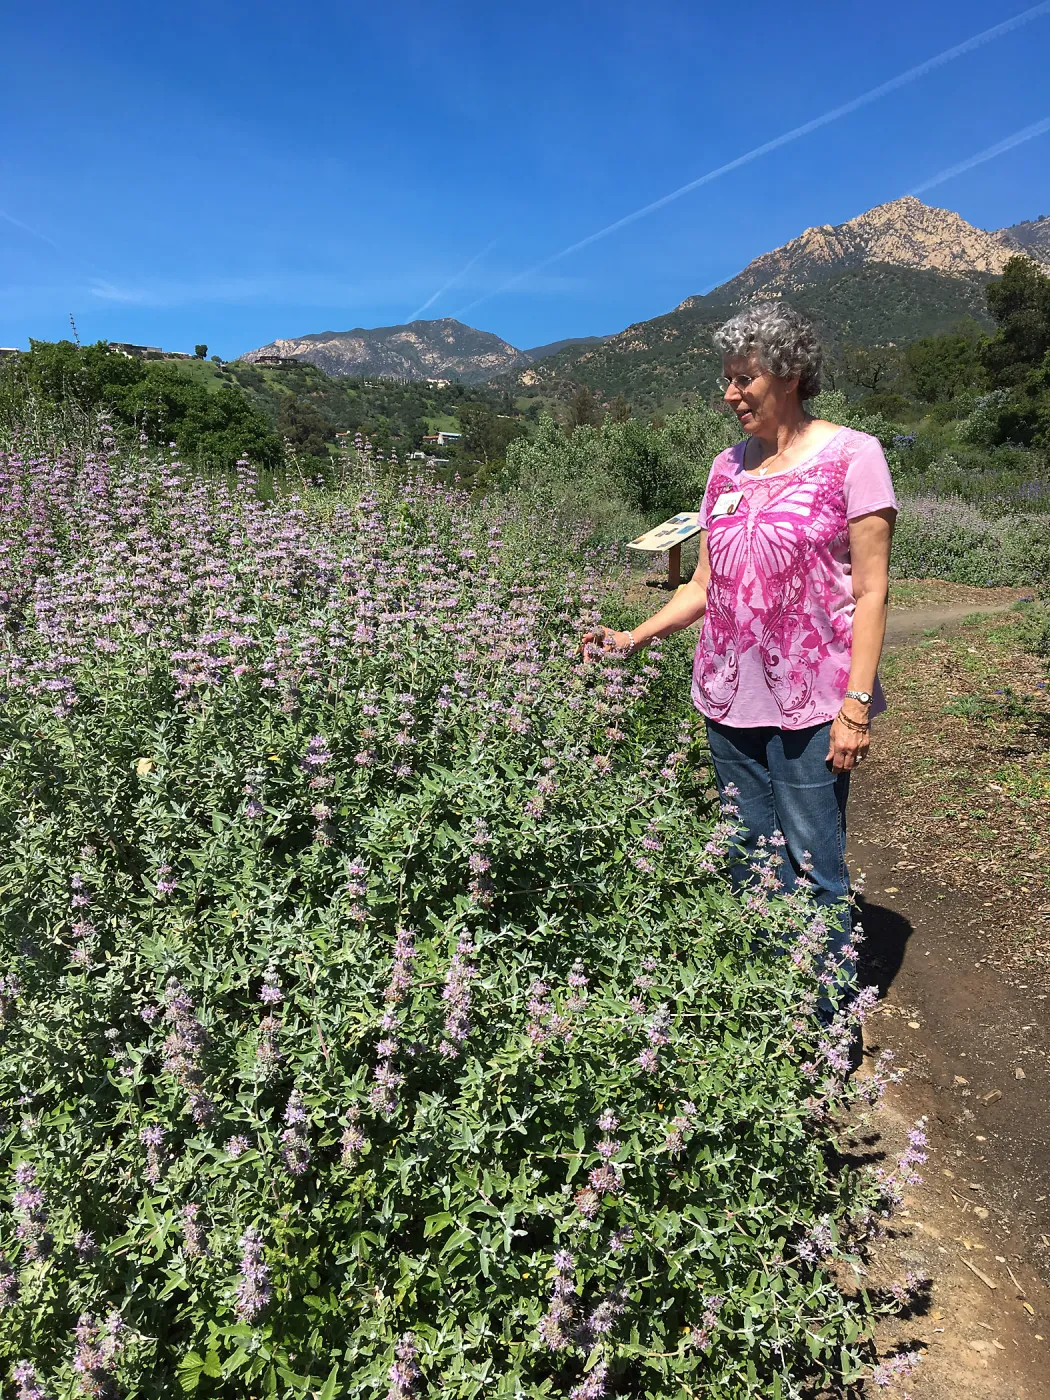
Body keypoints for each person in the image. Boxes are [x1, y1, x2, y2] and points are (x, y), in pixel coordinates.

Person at [587, 302, 897, 1009]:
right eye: (726, 380)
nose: (730, 396)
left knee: (816, 864)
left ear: (787, 375)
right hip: (726, 697)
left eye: (742, 380)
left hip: (813, 702)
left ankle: (823, 1029)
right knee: (748, 858)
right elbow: (703, 583)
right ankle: (769, 1012)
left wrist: (855, 704)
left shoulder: (855, 454)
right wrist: (634, 637)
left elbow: (873, 592)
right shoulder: (725, 469)